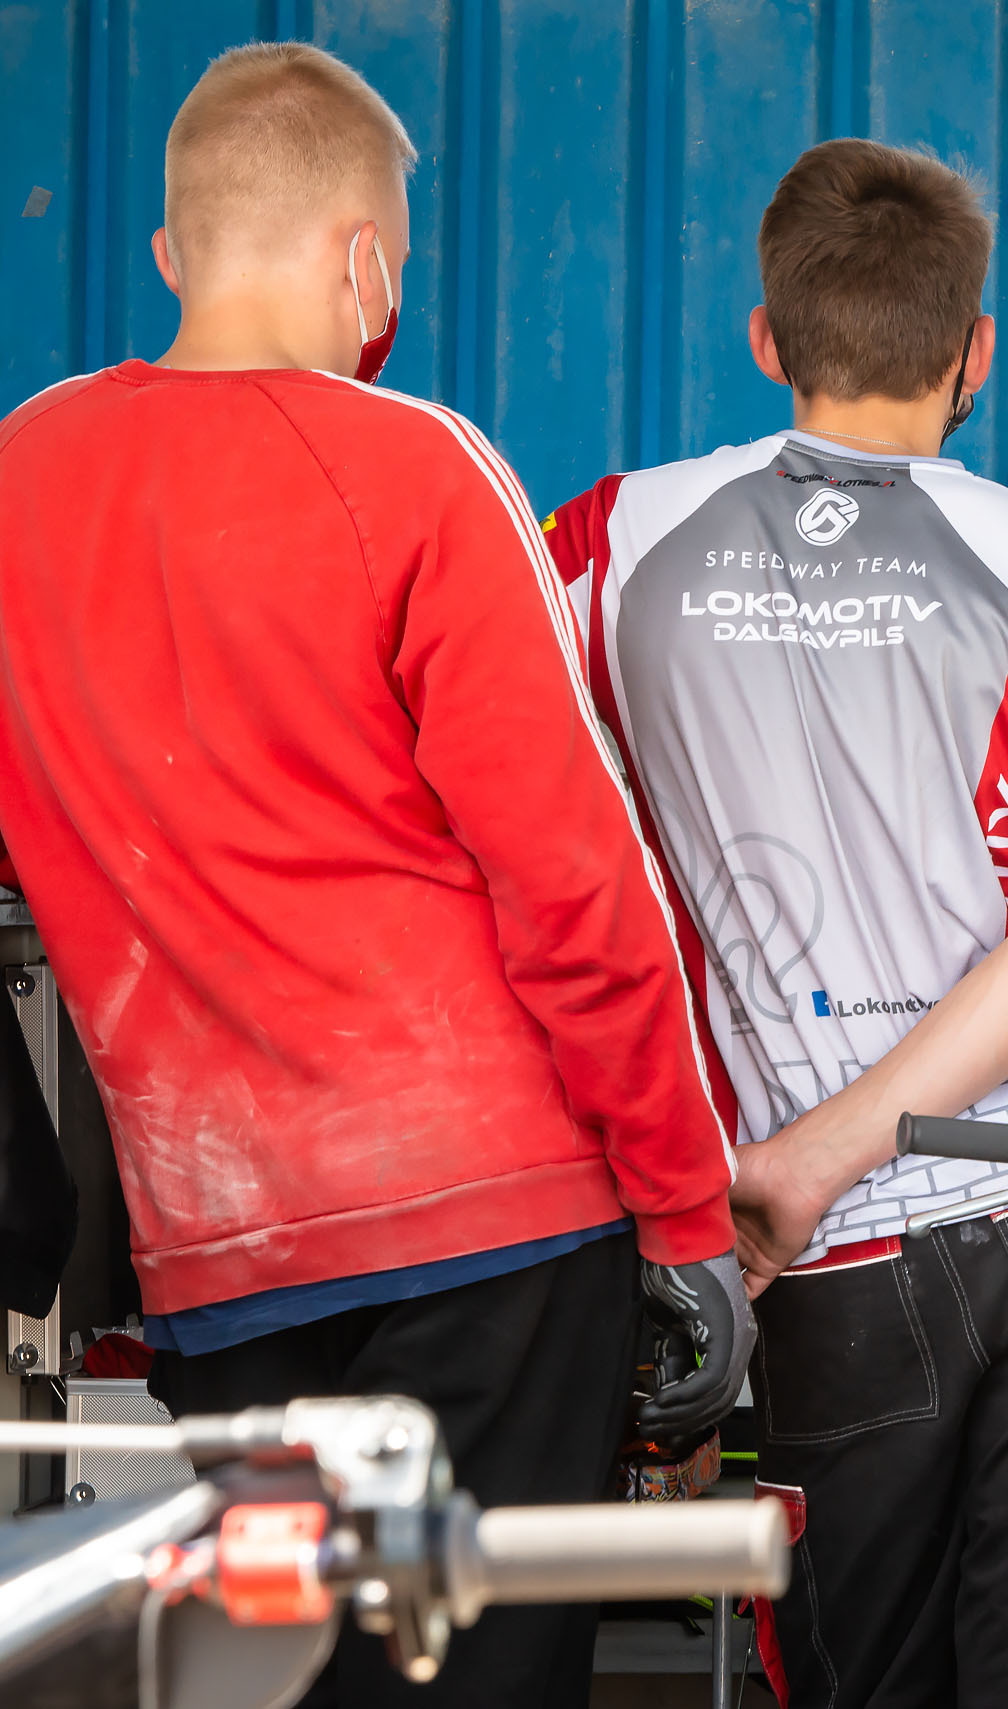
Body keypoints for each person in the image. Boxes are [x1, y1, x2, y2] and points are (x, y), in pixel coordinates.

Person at [0, 42, 751, 1704]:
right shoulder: (416, 465)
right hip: (491, 1226)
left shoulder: (18, 475)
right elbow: (577, 887)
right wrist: (688, 1213)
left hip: (220, 1250)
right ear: (364, 265)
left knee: (284, 1675)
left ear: (170, 257)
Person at [539, 138, 1008, 1706]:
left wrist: (777, 1174)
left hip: (812, 1241)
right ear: (976, 354)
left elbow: (533, 868)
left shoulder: (599, 545)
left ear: (767, 341)